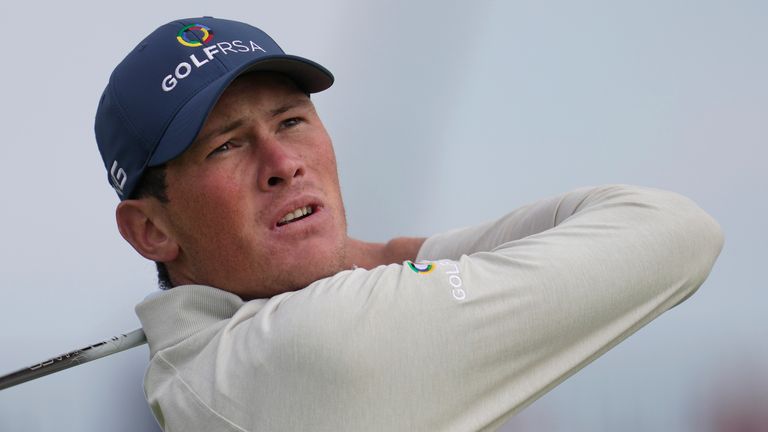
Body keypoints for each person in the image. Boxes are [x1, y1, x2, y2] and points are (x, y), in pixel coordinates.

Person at [95, 17, 723, 431]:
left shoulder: (205, 368)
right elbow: (675, 232)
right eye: (226, 146)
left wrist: (372, 257)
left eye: (291, 122)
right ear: (151, 229)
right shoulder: (315, 343)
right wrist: (382, 254)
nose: (283, 164)